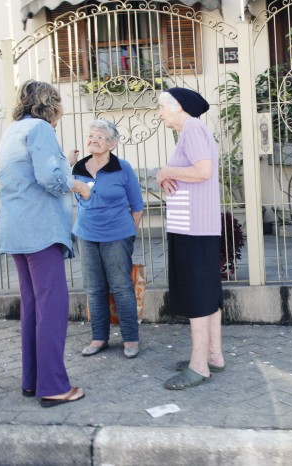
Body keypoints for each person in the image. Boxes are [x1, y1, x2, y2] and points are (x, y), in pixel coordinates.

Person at [0, 80, 91, 408]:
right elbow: (51, 180)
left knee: (32, 306)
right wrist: (79, 186)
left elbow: (30, 174)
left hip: (16, 228)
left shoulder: (12, 131)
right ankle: (53, 386)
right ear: (50, 104)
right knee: (51, 307)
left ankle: (33, 380)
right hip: (40, 229)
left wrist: (62, 163)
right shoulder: (40, 129)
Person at [157, 87, 226, 390]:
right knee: (207, 291)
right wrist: (172, 175)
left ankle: (199, 366)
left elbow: (203, 170)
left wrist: (165, 171)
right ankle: (213, 355)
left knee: (198, 294)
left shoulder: (192, 129)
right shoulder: (193, 131)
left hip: (194, 227)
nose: (159, 114)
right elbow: (194, 173)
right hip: (197, 225)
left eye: (161, 107)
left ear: (177, 107)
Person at [72, 119, 144, 359]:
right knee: (94, 288)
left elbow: (137, 206)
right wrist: (67, 164)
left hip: (117, 236)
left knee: (122, 287)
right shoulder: (78, 169)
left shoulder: (122, 168)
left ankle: (131, 339)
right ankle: (99, 338)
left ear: (112, 143)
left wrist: (129, 234)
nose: (93, 139)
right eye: (90, 135)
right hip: (86, 234)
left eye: (99, 137)